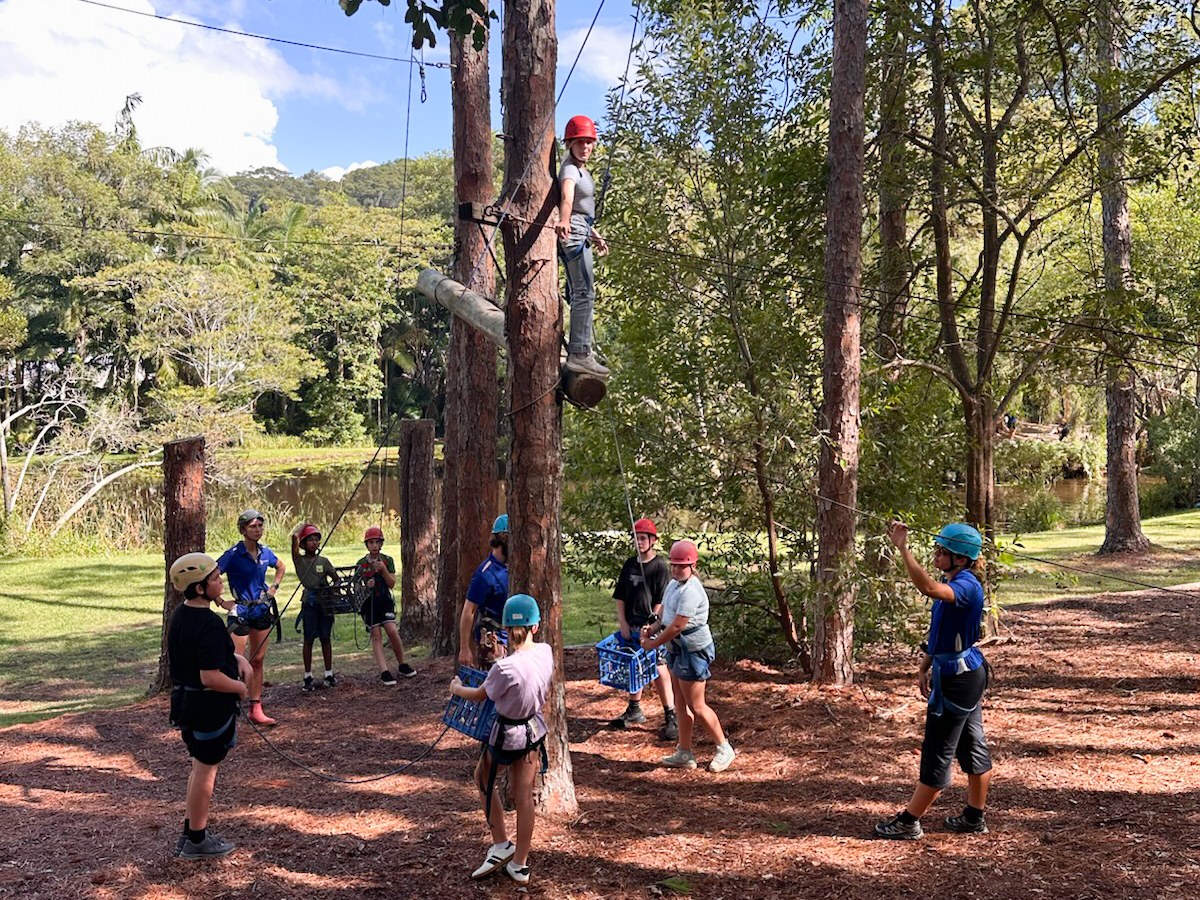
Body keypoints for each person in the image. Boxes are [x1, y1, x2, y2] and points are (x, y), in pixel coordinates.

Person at [874, 521, 994, 840]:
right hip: (962, 673)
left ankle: (909, 821)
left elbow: (927, 588)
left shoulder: (967, 585)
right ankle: (974, 816)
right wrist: (925, 663)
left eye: (945, 552)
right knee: (970, 743)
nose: (937, 556)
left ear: (963, 559)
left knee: (938, 749)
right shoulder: (952, 578)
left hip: (959, 679)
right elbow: (941, 630)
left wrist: (902, 547)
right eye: (938, 549)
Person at [450, 594, 553, 886]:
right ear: (535, 626)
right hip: (533, 729)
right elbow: (523, 668)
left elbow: (482, 693)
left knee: (483, 778)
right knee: (524, 795)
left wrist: (456, 688)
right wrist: (503, 656)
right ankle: (519, 863)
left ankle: (500, 843)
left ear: (506, 628)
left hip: (507, 734)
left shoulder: (503, 669)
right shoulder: (545, 652)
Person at [167, 552, 251, 860]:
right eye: (215, 578)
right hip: (207, 709)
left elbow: (200, 658)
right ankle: (198, 841)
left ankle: (190, 833)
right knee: (205, 772)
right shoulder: (210, 623)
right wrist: (241, 688)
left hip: (186, 705)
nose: (221, 580)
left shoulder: (181, 615)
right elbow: (211, 676)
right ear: (201, 588)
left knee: (198, 768)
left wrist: (236, 659)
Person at [640, 539, 735, 773]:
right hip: (675, 649)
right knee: (680, 703)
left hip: (693, 651)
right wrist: (651, 628)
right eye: (673, 565)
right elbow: (666, 618)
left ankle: (724, 747)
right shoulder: (673, 585)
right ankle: (684, 751)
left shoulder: (692, 590)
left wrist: (652, 644)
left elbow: (677, 626)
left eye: (682, 565)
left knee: (697, 704)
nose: (676, 569)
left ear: (693, 566)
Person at [610, 517, 677, 740]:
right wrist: (623, 622)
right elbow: (620, 596)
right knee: (633, 666)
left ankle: (671, 715)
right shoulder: (629, 564)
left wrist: (652, 623)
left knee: (658, 668)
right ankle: (634, 708)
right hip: (631, 623)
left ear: (652, 541)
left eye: (642, 538)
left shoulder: (659, 567)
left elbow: (662, 599)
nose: (638, 542)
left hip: (651, 625)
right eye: (636, 538)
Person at [217, 509, 285, 726]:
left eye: (260, 526)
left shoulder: (265, 552)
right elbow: (212, 574)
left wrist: (272, 589)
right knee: (236, 660)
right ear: (243, 529)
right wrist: (221, 601)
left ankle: (256, 708)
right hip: (240, 612)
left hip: (261, 610)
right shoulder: (233, 554)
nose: (257, 530)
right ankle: (230, 705)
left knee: (257, 659)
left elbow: (281, 566)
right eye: (253, 526)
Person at [555, 114, 610, 378]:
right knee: (583, 293)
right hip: (574, 233)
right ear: (569, 144)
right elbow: (566, 198)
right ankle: (579, 353)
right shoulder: (569, 169)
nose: (585, 147)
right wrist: (564, 221)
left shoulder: (580, 169)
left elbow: (580, 207)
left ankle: (581, 351)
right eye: (580, 142)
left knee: (582, 292)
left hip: (581, 230)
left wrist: (594, 233)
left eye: (589, 142)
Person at [356, 526, 416, 685]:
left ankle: (402, 664)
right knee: (376, 635)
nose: (374, 545)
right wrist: (365, 585)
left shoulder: (387, 560)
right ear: (366, 545)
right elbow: (356, 587)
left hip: (385, 601)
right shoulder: (361, 564)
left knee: (392, 630)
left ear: (381, 544)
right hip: (369, 604)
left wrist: (383, 570)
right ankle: (384, 671)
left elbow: (391, 583)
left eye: (377, 542)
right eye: (371, 542)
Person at [291, 522, 338, 692]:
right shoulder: (299, 560)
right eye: (309, 540)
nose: (314, 543)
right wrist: (304, 526)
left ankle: (328, 673)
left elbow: (336, 578)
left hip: (324, 603)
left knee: (325, 637)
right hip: (309, 603)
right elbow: (294, 538)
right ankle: (308, 675)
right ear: (303, 544)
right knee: (309, 639)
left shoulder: (324, 561)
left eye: (316, 540)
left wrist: (331, 590)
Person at [458, 514, 510, 669]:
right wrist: (464, 649)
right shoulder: (485, 574)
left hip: (515, 638)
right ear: (504, 538)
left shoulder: (515, 567)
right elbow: (469, 610)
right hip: (494, 642)